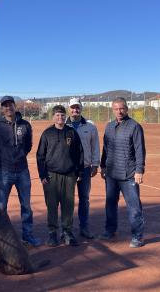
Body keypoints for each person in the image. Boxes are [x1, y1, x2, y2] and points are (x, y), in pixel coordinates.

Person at [0, 95, 42, 247]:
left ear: (14, 106)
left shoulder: (25, 124)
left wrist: (19, 157)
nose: (8, 108)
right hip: (3, 171)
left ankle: (28, 235)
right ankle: (2, 238)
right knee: (1, 207)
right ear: (2, 108)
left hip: (22, 171)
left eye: (10, 104)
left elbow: (28, 145)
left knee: (26, 206)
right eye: (5, 105)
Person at [99, 97, 146, 248]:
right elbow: (106, 148)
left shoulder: (134, 126)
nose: (119, 111)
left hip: (129, 174)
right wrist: (103, 166)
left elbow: (140, 150)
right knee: (110, 204)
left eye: (122, 108)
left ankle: (137, 236)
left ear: (126, 109)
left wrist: (139, 170)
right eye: (116, 109)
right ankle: (110, 230)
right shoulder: (109, 126)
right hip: (112, 174)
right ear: (112, 110)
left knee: (134, 207)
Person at [37, 105, 84, 247]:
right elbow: (40, 156)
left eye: (62, 115)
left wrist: (79, 171)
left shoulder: (72, 132)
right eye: (57, 115)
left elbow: (79, 153)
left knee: (68, 205)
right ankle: (52, 233)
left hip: (69, 175)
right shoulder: (47, 133)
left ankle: (67, 232)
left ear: (65, 116)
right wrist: (42, 175)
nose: (60, 118)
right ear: (53, 117)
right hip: (51, 176)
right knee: (52, 206)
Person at [66, 98, 100, 239]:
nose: (75, 110)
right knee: (67, 199)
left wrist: (95, 164)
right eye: (73, 107)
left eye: (77, 107)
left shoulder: (90, 127)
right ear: (69, 109)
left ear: (81, 109)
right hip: (67, 170)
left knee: (84, 199)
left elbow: (95, 146)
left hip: (85, 168)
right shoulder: (63, 125)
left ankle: (84, 227)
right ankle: (66, 229)